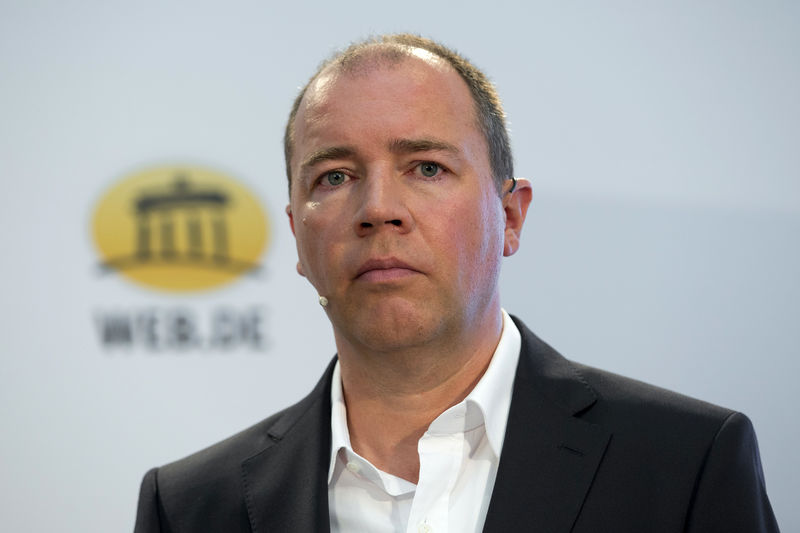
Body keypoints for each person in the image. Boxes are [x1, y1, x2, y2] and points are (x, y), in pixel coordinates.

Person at [134, 34, 779, 532]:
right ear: (297, 239)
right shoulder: (190, 506)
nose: (378, 207)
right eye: (333, 176)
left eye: (426, 167)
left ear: (511, 216)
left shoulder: (686, 464)